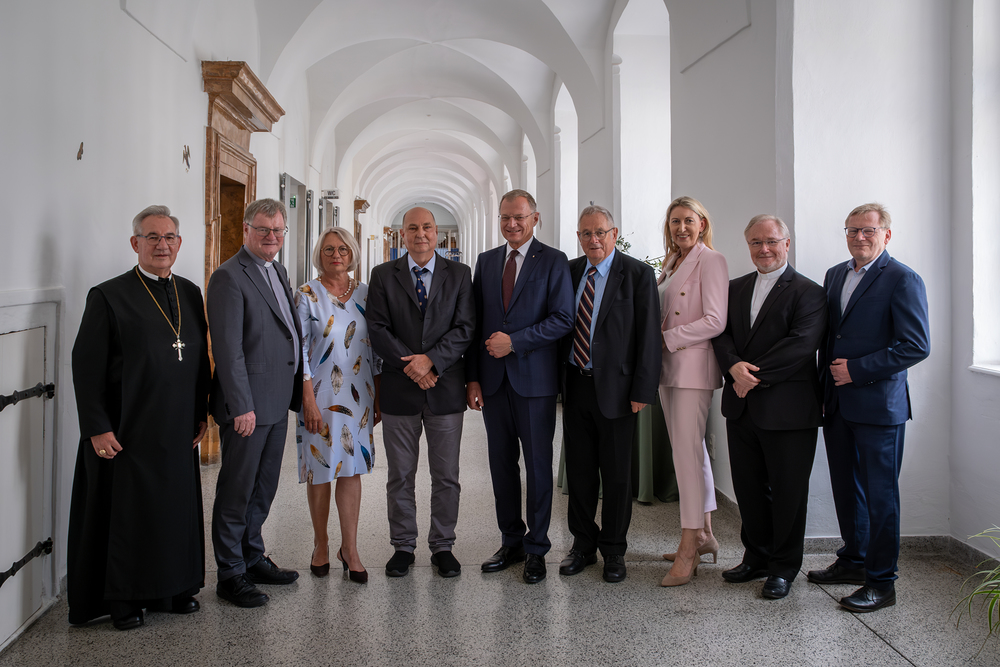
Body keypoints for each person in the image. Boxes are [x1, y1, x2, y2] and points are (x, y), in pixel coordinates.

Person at [68, 205, 210, 630]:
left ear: (179, 243)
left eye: (169, 237)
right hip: (127, 429)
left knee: (173, 512)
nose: (162, 245)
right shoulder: (108, 295)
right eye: (152, 237)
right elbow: (86, 365)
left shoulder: (189, 291)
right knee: (129, 516)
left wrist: (201, 410)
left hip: (177, 427)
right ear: (135, 244)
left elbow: (199, 357)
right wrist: (97, 426)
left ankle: (172, 590)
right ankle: (124, 600)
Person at [807, 203, 929, 612]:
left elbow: (916, 345)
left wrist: (858, 370)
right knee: (846, 489)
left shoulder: (903, 279)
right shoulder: (835, 274)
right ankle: (855, 561)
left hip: (879, 406)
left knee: (881, 497)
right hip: (838, 403)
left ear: (886, 235)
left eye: (868, 231)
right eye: (852, 230)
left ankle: (882, 583)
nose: (860, 237)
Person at [711, 214, 827, 599]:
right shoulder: (734, 288)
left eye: (772, 241)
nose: (764, 249)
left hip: (789, 410)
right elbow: (721, 334)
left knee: (788, 492)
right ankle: (756, 556)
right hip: (741, 409)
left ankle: (783, 567)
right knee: (749, 488)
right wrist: (731, 365)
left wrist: (748, 376)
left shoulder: (809, 292)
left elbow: (801, 344)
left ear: (786, 243)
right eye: (756, 242)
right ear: (748, 246)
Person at [466, 189, 574, 584]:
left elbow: (564, 319)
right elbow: (476, 325)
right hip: (493, 383)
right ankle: (510, 540)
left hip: (535, 382)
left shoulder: (554, 261)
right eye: (505, 217)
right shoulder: (487, 261)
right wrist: (473, 377)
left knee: (537, 466)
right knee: (501, 465)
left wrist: (517, 341)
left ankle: (537, 547)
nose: (512, 224)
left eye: (520, 217)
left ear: (535, 218)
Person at [368, 207, 475, 579]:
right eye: (412, 228)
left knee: (446, 475)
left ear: (437, 234)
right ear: (402, 234)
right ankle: (403, 546)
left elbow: (465, 328)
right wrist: (411, 366)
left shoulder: (460, 274)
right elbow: (378, 329)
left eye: (427, 227)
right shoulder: (383, 275)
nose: (421, 234)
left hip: (445, 389)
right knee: (400, 474)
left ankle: (443, 545)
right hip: (400, 390)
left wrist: (430, 361)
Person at [206, 198, 304, 608]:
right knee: (237, 489)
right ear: (246, 229)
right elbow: (228, 350)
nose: (272, 237)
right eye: (264, 229)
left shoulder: (276, 269)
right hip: (248, 407)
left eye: (278, 230)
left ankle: (253, 556)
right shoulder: (229, 276)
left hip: (276, 401)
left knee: (263, 488)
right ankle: (230, 573)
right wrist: (241, 404)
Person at [557, 205, 660, 583]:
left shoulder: (636, 274)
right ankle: (582, 545)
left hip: (619, 391)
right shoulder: (568, 273)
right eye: (586, 233)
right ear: (579, 237)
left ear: (614, 234)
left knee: (617, 476)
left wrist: (642, 390)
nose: (593, 240)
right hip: (576, 384)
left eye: (600, 232)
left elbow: (649, 337)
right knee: (581, 472)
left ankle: (614, 550)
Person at [295, 227, 380, 584]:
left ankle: (351, 548)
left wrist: (379, 394)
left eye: (343, 249)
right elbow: (297, 350)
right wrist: (308, 399)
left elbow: (376, 346)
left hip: (359, 393)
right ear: (320, 254)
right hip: (319, 396)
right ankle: (321, 544)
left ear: (352, 253)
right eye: (329, 249)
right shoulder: (306, 294)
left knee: (352, 469)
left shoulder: (365, 292)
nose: (336, 255)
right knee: (320, 472)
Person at [657, 196, 728, 587]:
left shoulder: (711, 260)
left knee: (686, 455)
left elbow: (716, 320)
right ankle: (703, 533)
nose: (680, 228)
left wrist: (666, 338)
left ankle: (688, 547)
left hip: (692, 366)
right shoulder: (671, 262)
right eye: (673, 222)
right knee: (691, 451)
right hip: (669, 366)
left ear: (702, 223)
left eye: (687, 221)